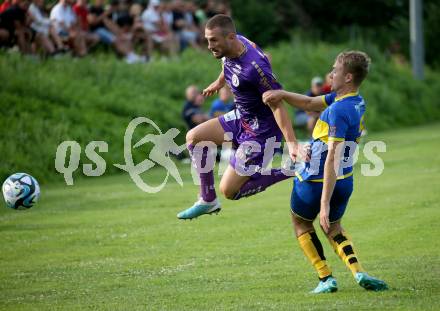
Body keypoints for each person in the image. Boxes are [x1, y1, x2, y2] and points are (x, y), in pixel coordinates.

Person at [262, 51, 388, 293]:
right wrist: (283, 94)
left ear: (348, 77)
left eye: (336, 70)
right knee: (334, 228)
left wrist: (324, 203)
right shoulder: (354, 101)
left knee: (300, 223)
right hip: (345, 179)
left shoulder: (336, 111)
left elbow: (331, 156)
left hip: (317, 178)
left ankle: (325, 277)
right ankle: (358, 272)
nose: (331, 73)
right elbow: (310, 104)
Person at [177, 14, 299, 220]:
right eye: (207, 40)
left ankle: (292, 170)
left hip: (261, 132)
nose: (209, 45)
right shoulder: (235, 42)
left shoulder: (256, 69)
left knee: (230, 191)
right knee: (194, 137)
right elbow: (228, 63)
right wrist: (219, 82)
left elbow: (278, 105)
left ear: (230, 37)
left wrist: (292, 144)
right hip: (241, 118)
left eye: (213, 40)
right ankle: (207, 200)